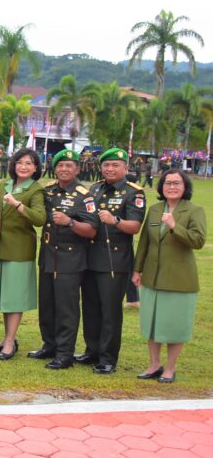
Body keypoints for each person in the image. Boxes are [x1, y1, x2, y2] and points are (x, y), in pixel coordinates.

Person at [132, 169, 206, 384]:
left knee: (174, 325)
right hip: (152, 277)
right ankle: (154, 364)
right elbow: (144, 242)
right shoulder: (155, 210)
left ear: (185, 187)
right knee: (152, 323)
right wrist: (137, 270)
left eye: (176, 183)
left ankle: (170, 368)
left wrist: (175, 226)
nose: (171, 187)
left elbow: (198, 241)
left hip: (178, 279)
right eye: (167, 183)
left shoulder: (195, 211)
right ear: (161, 187)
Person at [30, 149, 98, 369]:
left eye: (69, 165)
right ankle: (49, 345)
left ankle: (65, 353)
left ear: (77, 169)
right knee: (47, 305)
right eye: (60, 165)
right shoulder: (48, 190)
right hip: (48, 256)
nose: (64, 169)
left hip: (70, 259)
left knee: (66, 309)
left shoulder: (84, 195)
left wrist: (69, 222)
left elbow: (91, 230)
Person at [80, 147, 146, 374]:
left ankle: (107, 358)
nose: (109, 168)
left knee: (110, 312)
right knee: (91, 308)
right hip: (90, 256)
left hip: (113, 260)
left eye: (115, 165)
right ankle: (92, 350)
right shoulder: (95, 188)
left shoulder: (133, 192)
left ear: (125, 168)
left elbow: (135, 226)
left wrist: (115, 220)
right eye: (106, 165)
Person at [0, 148, 46, 361]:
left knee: (14, 298)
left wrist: (18, 205)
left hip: (19, 250)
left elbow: (40, 218)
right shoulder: (5, 184)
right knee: (6, 297)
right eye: (20, 162)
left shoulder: (36, 190)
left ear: (36, 168)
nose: (23, 166)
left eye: (29, 163)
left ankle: (10, 342)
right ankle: (7, 338)